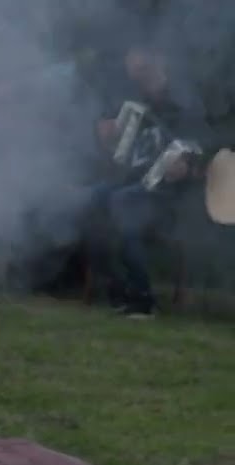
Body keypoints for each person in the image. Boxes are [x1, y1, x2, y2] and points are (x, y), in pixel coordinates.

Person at [84, 43, 213, 318]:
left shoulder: (184, 103)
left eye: (143, 71)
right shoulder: (130, 103)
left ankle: (144, 299)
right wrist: (105, 136)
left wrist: (187, 165)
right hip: (134, 185)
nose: (138, 79)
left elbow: (204, 153)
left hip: (169, 198)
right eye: (134, 73)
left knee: (123, 201)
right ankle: (118, 291)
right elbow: (117, 155)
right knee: (95, 199)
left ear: (160, 63)